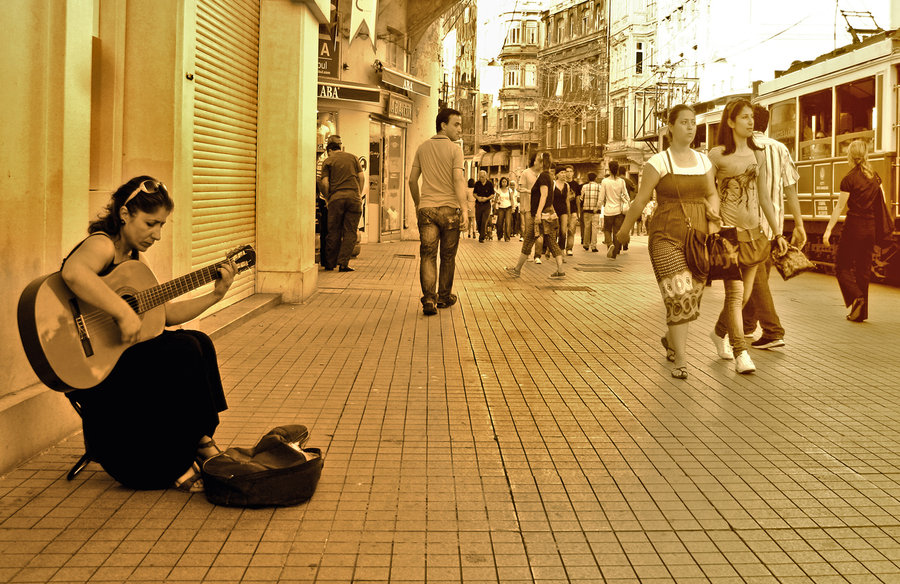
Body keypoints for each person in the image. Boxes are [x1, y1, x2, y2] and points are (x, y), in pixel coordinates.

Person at [61, 176, 237, 492]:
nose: (156, 234)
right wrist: (121, 311)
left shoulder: (132, 259)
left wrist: (216, 294)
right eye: (150, 224)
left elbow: (165, 313)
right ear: (125, 214)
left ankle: (198, 438)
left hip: (119, 355)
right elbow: (73, 273)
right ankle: (187, 452)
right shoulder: (101, 243)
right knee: (181, 350)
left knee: (198, 342)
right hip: (91, 360)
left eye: (161, 226)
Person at [616, 105, 720, 380]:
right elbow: (641, 200)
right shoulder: (658, 163)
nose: (690, 127)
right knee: (680, 294)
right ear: (670, 127)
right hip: (665, 234)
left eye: (693, 123)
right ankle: (682, 360)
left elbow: (712, 194)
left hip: (698, 237)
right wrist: (624, 230)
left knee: (692, 297)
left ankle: (671, 338)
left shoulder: (704, 162)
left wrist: (713, 222)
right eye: (684, 122)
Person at [708, 98, 788, 374]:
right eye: (744, 117)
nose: (750, 121)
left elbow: (765, 196)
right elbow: (710, 195)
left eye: (751, 117)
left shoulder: (759, 153)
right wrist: (713, 221)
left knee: (743, 298)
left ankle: (719, 333)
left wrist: (777, 232)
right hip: (729, 235)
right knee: (736, 294)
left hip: (755, 234)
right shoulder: (716, 155)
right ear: (730, 121)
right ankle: (741, 352)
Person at [742, 105, 807, 349]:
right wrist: (798, 225)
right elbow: (791, 190)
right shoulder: (780, 149)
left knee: (756, 279)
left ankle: (772, 330)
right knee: (758, 276)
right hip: (775, 227)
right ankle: (748, 325)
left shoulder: (745, 147)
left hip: (751, 225)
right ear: (766, 124)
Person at [408, 108, 469, 315]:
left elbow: (411, 180)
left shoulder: (422, 148)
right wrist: (465, 209)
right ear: (443, 125)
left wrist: (419, 204)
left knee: (428, 255)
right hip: (450, 209)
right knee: (448, 256)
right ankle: (443, 297)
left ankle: (428, 300)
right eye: (456, 124)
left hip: (427, 209)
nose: (460, 129)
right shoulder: (455, 150)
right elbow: (458, 180)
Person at [823, 139, 884, 322]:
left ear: (850, 155)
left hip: (854, 227)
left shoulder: (849, 179)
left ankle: (857, 296)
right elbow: (882, 204)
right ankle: (860, 314)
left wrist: (828, 230)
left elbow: (839, 207)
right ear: (865, 155)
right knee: (863, 270)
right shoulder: (875, 177)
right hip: (870, 228)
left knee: (841, 266)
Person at [505, 153, 566, 278]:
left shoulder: (543, 176)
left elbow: (543, 195)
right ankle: (560, 270)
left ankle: (517, 269)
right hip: (546, 215)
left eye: (538, 161)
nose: (535, 163)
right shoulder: (549, 176)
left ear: (542, 163)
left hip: (539, 216)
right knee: (551, 242)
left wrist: (538, 214)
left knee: (528, 242)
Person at [320, 135, 364, 272]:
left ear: (329, 150)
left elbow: (325, 182)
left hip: (336, 199)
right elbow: (361, 178)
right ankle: (343, 264)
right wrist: (359, 194)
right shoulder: (353, 157)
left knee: (333, 231)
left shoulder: (328, 161)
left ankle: (330, 264)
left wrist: (328, 198)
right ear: (340, 147)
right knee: (350, 231)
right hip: (354, 198)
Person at [517, 152, 544, 260]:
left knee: (540, 231)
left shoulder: (544, 174)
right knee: (529, 231)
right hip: (528, 207)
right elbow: (520, 189)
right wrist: (523, 206)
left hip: (541, 206)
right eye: (539, 158)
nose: (541, 160)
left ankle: (537, 255)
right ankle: (526, 253)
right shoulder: (526, 173)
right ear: (534, 160)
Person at [600, 160, 629, 254]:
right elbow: (626, 195)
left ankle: (610, 244)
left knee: (607, 229)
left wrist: (597, 206)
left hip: (608, 210)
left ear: (609, 169)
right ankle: (615, 253)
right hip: (619, 211)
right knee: (617, 231)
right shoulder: (621, 181)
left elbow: (601, 197)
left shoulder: (605, 181)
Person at [580, 172, 602, 252]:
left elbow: (581, 198)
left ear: (588, 179)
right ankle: (593, 246)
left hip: (586, 210)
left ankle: (586, 244)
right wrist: (598, 207)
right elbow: (601, 199)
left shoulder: (584, 186)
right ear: (595, 178)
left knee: (587, 227)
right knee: (594, 228)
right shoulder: (599, 187)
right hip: (596, 210)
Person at [563, 165, 581, 255]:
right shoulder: (562, 184)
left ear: (573, 173)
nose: (569, 173)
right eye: (567, 171)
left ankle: (569, 249)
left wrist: (578, 213)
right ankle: (560, 248)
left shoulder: (576, 185)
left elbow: (578, 200)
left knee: (571, 231)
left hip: (573, 211)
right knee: (562, 232)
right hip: (563, 211)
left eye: (570, 171)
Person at [473, 170, 494, 242]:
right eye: (480, 177)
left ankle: (482, 237)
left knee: (484, 221)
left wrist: (486, 198)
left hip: (486, 205)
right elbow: (474, 193)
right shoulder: (477, 184)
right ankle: (481, 232)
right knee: (478, 220)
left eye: (482, 177)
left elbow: (492, 194)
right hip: (478, 204)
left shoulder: (489, 184)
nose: (481, 178)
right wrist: (478, 198)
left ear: (485, 176)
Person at [493, 177, 515, 242]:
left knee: (508, 223)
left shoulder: (509, 190)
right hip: (500, 208)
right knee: (500, 222)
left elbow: (512, 199)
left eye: (505, 181)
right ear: (501, 182)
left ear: (507, 182)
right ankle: (499, 235)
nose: (504, 183)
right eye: (503, 182)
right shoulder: (498, 190)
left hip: (508, 207)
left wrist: (513, 207)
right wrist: (495, 207)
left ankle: (507, 237)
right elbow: (496, 199)